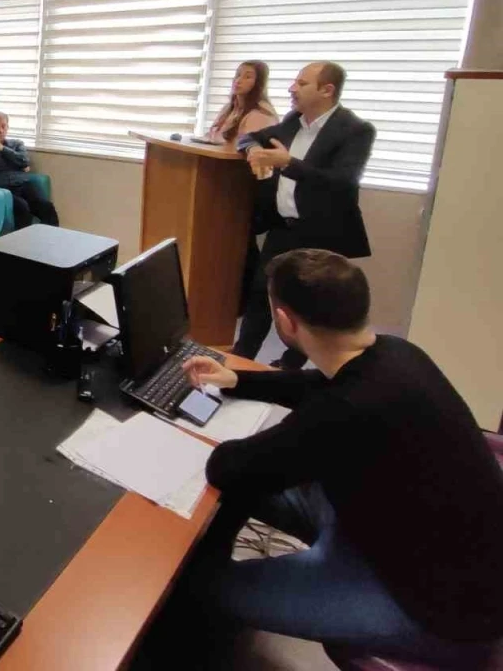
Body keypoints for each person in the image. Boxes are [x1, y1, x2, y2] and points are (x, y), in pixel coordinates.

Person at [155, 250, 503, 667]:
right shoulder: (397, 353)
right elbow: (316, 384)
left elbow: (227, 467)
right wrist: (237, 380)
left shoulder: (346, 412)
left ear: (284, 321)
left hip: (438, 614)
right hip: (423, 545)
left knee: (202, 584)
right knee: (259, 486)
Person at [234, 61, 375, 366]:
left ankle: (289, 366)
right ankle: (241, 356)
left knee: (308, 305)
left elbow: (343, 183)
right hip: (283, 227)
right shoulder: (292, 122)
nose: (292, 89)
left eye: (301, 84)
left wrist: (288, 164)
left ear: (327, 90)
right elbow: (249, 138)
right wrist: (252, 150)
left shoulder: (355, 130)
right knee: (261, 293)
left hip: (321, 232)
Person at [0, 112, 58, 228]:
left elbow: (24, 160)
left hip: (23, 184)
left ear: (7, 127)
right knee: (22, 208)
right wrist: (17, 164)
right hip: (0, 188)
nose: (0, 130)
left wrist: (2, 148)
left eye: (3, 126)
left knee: (46, 206)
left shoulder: (17, 144)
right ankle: (22, 239)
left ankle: (49, 237)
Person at [206, 61, 278, 144]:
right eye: (238, 75)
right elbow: (211, 137)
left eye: (247, 77)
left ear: (259, 83)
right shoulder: (229, 108)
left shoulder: (261, 114)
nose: (238, 80)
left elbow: (249, 147)